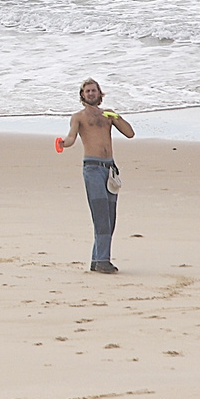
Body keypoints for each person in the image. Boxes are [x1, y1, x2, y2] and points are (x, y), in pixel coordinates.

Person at [58, 78, 134, 273]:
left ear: (100, 94)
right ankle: (102, 260)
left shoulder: (107, 115)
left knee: (110, 218)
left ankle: (97, 260)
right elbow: (71, 138)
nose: (91, 93)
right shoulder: (78, 117)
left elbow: (130, 133)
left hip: (109, 169)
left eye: (94, 90)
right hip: (92, 168)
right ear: (82, 95)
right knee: (101, 217)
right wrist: (62, 143)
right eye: (87, 91)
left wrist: (116, 117)